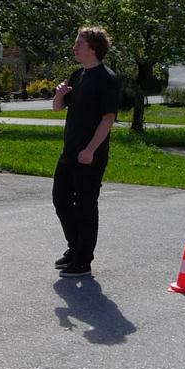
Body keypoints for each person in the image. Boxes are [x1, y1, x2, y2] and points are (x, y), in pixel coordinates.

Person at [51, 27, 120, 279]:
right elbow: (58, 108)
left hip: (90, 156)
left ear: (93, 48)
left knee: (85, 206)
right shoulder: (77, 75)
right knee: (60, 199)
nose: (75, 47)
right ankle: (74, 248)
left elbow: (108, 119)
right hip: (69, 152)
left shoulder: (107, 78)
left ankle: (83, 261)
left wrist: (90, 150)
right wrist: (59, 95)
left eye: (79, 43)